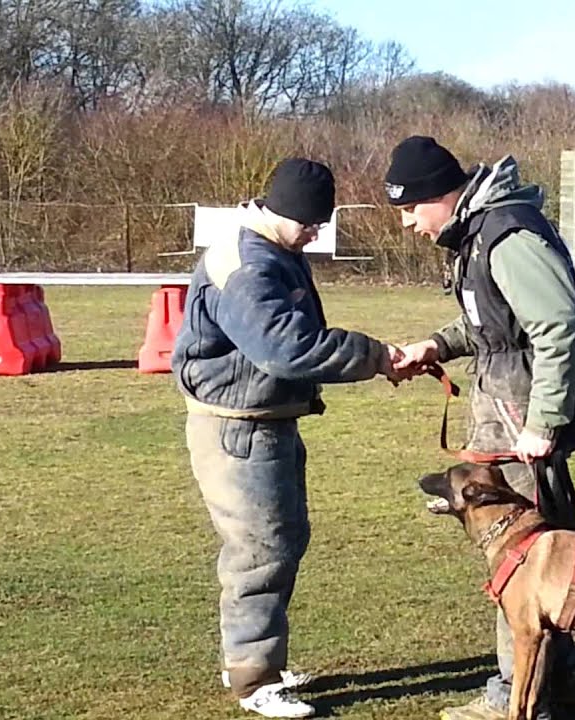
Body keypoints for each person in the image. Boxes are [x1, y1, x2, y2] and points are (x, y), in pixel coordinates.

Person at [384, 136, 575, 720]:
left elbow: (558, 326)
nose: (408, 223)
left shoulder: (509, 235)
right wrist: (435, 345)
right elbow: (491, 322)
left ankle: (514, 697)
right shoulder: (479, 234)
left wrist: (543, 422)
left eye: (411, 209)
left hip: (522, 421)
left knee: (517, 554)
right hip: (507, 409)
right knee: (544, 548)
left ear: (441, 194)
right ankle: (561, 687)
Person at [172, 157, 403, 719]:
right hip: (238, 428)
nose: (316, 234)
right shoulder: (249, 266)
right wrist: (375, 356)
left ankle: (256, 660)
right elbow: (286, 348)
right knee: (260, 550)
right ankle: (254, 679)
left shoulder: (272, 248)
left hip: (265, 420)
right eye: (311, 223)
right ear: (282, 211)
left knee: (282, 539)